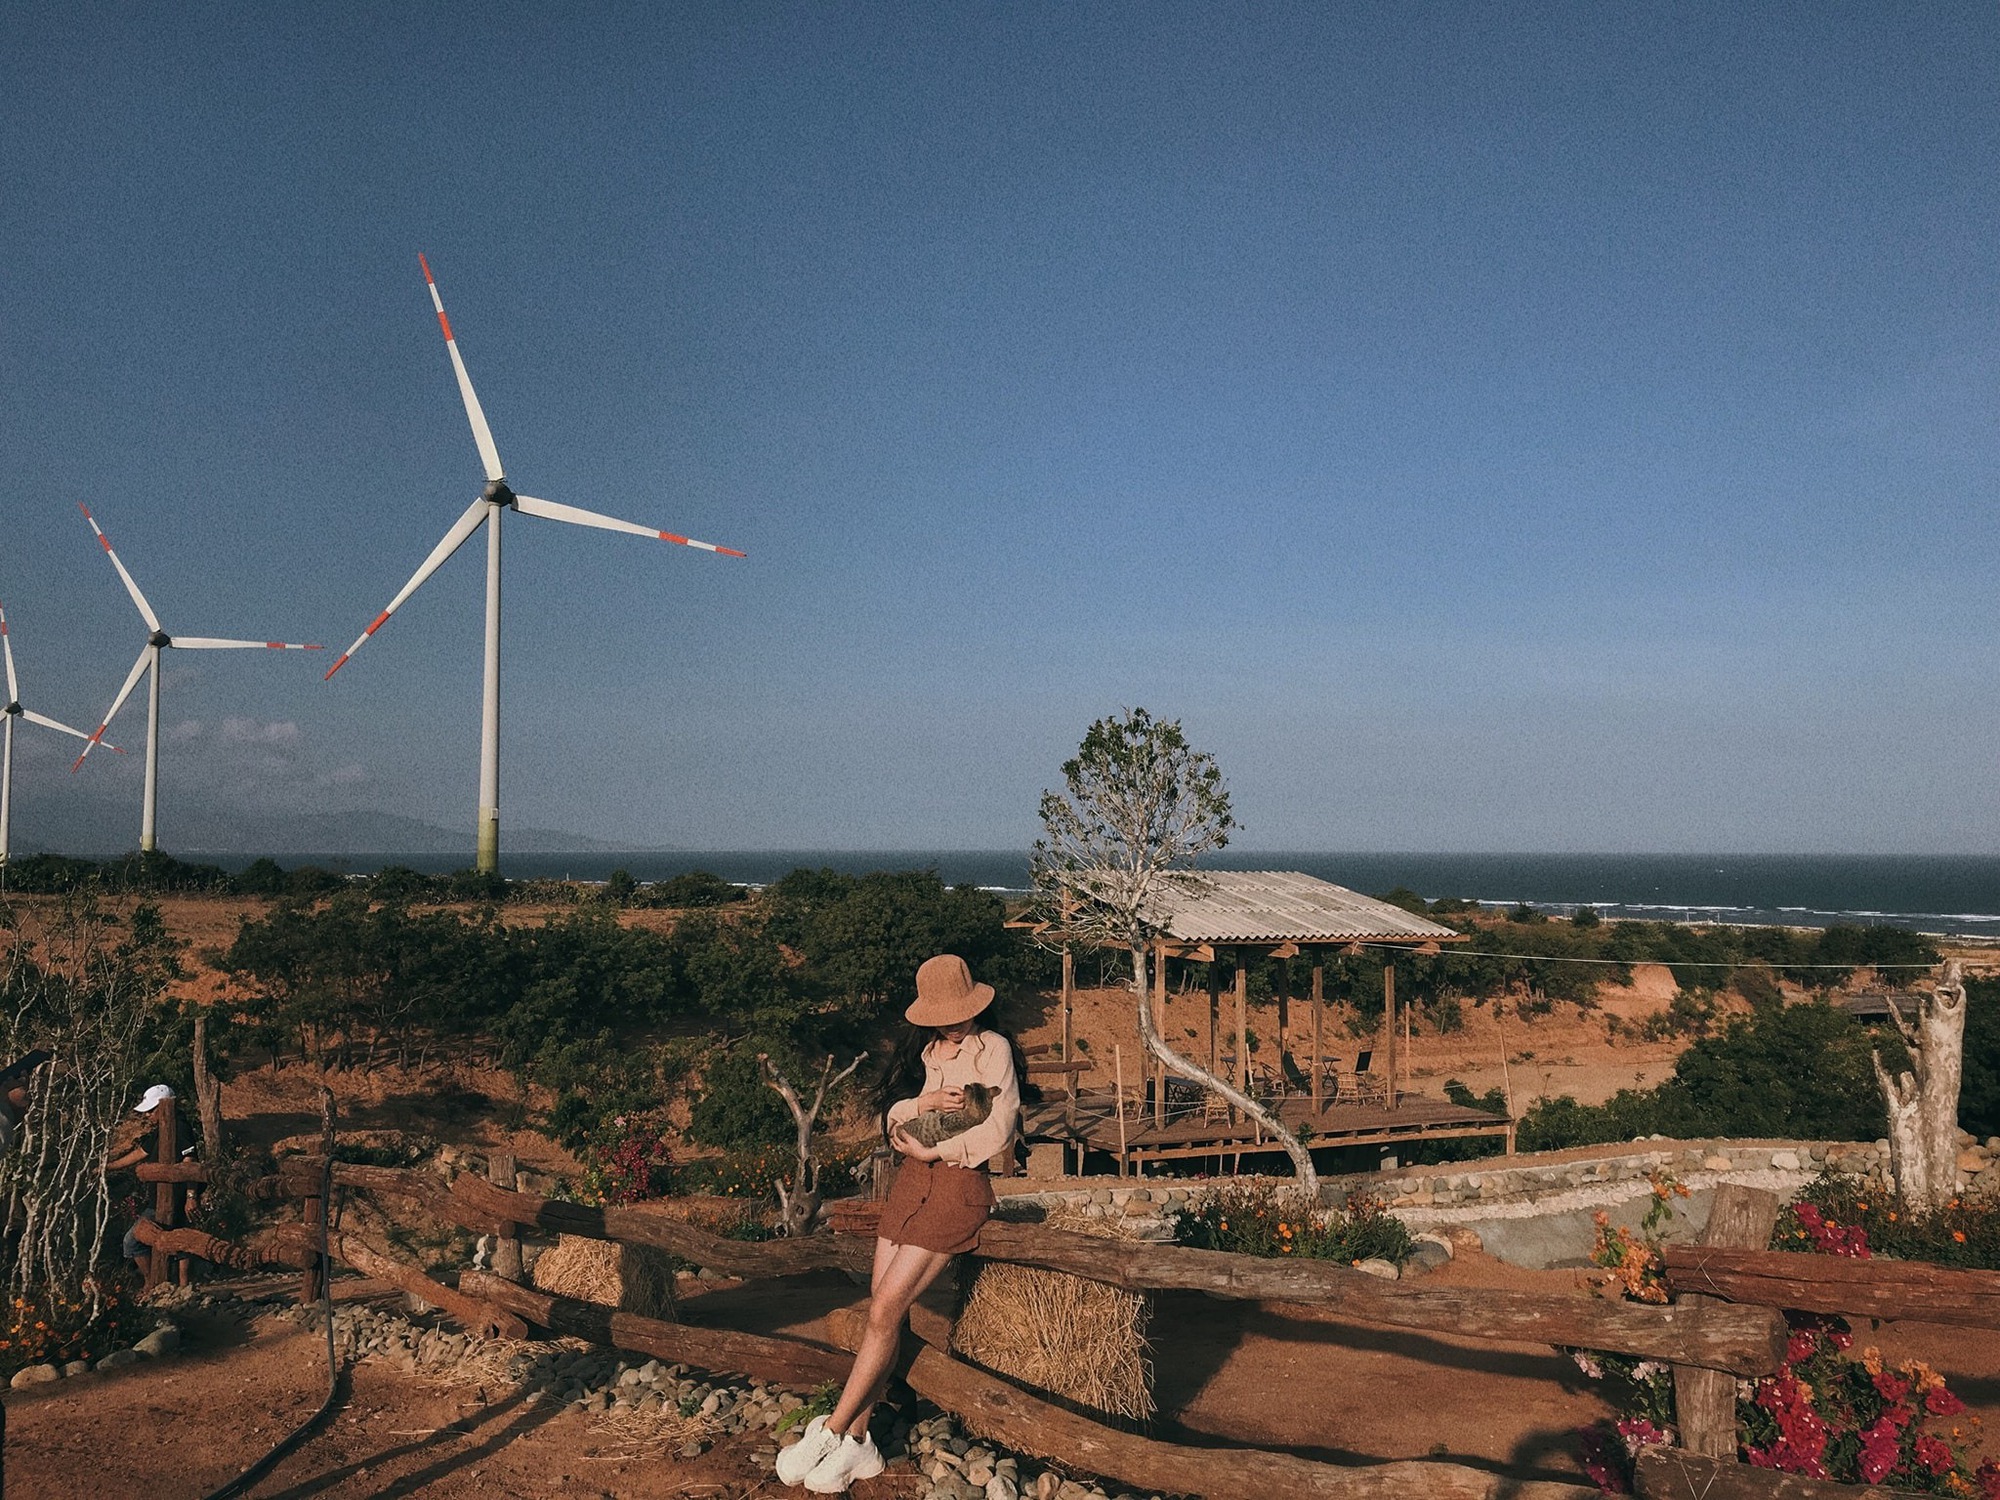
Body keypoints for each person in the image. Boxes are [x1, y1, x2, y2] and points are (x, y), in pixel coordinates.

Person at [776, 954, 1021, 1494]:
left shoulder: (994, 1049)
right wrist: (919, 1105)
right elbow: (895, 1118)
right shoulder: (930, 1052)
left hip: (957, 1189)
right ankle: (862, 1446)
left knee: (886, 1309)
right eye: (942, 1014)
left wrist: (936, 1151)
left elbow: (999, 1129)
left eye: (958, 1012)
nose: (952, 1022)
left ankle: (831, 1431)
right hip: (910, 1185)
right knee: (878, 1306)